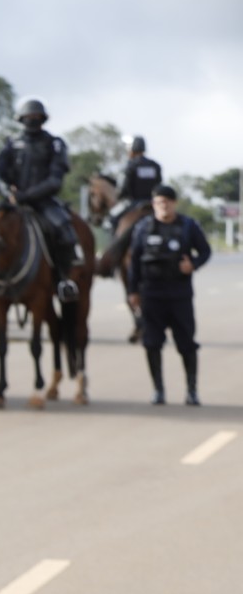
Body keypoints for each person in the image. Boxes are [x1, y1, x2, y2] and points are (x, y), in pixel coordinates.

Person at [127, 184, 210, 405]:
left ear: (174, 203)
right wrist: (132, 291)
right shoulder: (143, 228)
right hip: (152, 294)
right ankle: (158, 390)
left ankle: (192, 391)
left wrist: (193, 264)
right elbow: (134, 261)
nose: (163, 206)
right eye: (159, 202)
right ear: (154, 205)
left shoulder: (188, 226)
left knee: (186, 344)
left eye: (167, 201)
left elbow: (205, 251)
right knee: (152, 343)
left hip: (179, 294)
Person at [0, 98, 80, 300]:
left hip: (44, 202)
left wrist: (26, 196)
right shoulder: (10, 144)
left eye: (36, 117)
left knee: (65, 231)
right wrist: (7, 191)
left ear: (43, 119)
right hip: (12, 203)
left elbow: (55, 180)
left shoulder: (54, 144)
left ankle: (63, 280)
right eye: (28, 117)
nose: (32, 120)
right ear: (20, 119)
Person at [99, 135, 164, 270]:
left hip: (134, 204)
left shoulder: (131, 165)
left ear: (132, 149)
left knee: (112, 220)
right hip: (154, 205)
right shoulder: (155, 165)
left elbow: (123, 190)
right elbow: (159, 186)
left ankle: (113, 256)